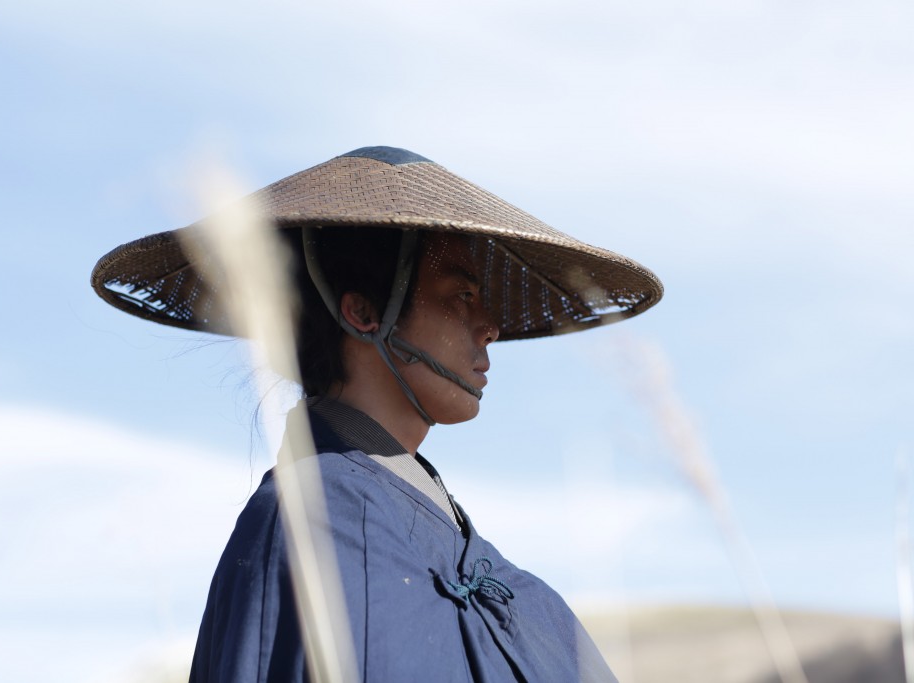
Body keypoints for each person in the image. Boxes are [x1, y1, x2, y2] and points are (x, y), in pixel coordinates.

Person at [91, 146, 663, 682]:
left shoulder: (497, 576)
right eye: (461, 295)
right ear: (364, 312)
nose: (490, 324)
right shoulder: (305, 525)